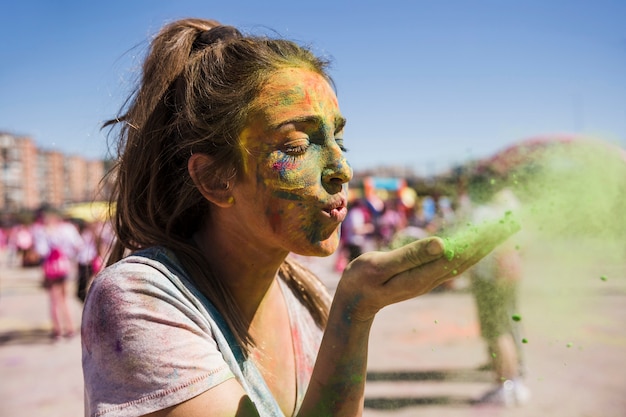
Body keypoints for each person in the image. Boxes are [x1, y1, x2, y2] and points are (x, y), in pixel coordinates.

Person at [82, 18, 518, 417]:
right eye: (295, 147)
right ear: (216, 178)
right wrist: (355, 311)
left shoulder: (304, 293)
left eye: (339, 140)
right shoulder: (139, 300)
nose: (341, 169)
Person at [464, 176, 530, 407]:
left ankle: (507, 386)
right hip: (507, 274)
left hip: (492, 277)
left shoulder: (483, 211)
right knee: (505, 327)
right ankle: (513, 384)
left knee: (496, 331)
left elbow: (475, 244)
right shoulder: (512, 205)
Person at [32, 207, 83, 339]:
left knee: (54, 299)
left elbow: (41, 252)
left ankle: (58, 329)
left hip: (51, 268)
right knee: (65, 298)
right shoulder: (67, 228)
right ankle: (70, 327)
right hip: (65, 266)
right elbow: (78, 245)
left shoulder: (42, 231)